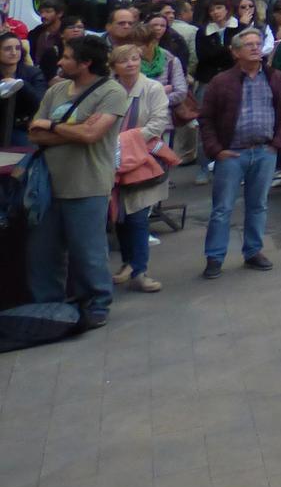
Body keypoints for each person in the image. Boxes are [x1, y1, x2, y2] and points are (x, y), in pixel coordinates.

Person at [25, 32, 129, 327]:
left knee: (88, 251)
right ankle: (47, 307)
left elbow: (91, 136)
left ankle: (97, 302)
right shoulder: (55, 92)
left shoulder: (111, 92)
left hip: (87, 185)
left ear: (85, 63)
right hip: (46, 186)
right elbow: (34, 132)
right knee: (42, 253)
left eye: (67, 57)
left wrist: (54, 126)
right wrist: (72, 130)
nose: (60, 61)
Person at [199, 28, 281, 279]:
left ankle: (253, 251)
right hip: (232, 154)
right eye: (248, 44)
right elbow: (206, 118)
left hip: (264, 151)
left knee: (258, 205)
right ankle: (215, 257)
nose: (254, 48)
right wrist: (216, 150)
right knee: (222, 208)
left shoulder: (275, 77)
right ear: (235, 52)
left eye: (257, 43)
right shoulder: (222, 81)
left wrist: (278, 142)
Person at [109, 39, 172, 294]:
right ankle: (127, 263)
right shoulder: (109, 89)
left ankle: (140, 271)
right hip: (111, 159)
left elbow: (157, 124)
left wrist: (122, 141)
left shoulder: (153, 88)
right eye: (124, 60)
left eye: (135, 59)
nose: (131, 64)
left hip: (141, 158)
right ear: (114, 65)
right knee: (119, 216)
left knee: (136, 216)